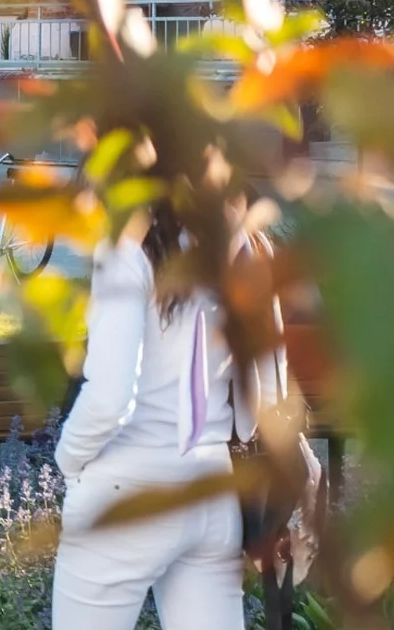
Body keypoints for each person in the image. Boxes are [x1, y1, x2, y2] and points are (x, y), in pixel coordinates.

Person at [51, 209, 290, 628]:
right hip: (211, 489)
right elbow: (271, 397)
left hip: (125, 486)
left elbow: (110, 399)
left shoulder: (129, 244)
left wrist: (68, 461)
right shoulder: (243, 245)